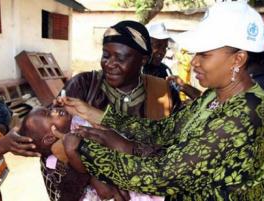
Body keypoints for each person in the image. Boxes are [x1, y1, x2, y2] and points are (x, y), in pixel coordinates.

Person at [61, 2, 264, 200]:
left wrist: (84, 150)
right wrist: (97, 116)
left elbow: (164, 175)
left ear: (238, 59)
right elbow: (165, 130)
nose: (194, 62)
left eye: (204, 54)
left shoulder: (247, 113)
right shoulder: (214, 96)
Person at [41, 20, 181, 201]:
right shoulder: (83, 85)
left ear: (143, 59)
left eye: (121, 58)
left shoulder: (163, 94)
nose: (110, 64)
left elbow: (174, 152)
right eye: (106, 55)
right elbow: (50, 138)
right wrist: (93, 178)